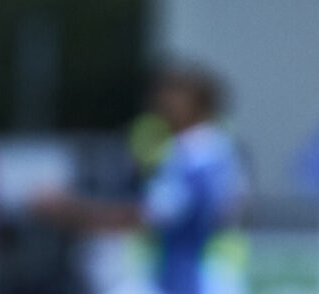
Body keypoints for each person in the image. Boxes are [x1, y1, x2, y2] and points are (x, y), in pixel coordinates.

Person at [33, 65, 249, 294]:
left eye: (172, 97)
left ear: (198, 104)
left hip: (196, 279)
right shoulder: (209, 149)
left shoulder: (198, 157)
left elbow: (151, 215)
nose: (161, 106)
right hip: (191, 275)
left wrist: (68, 211)